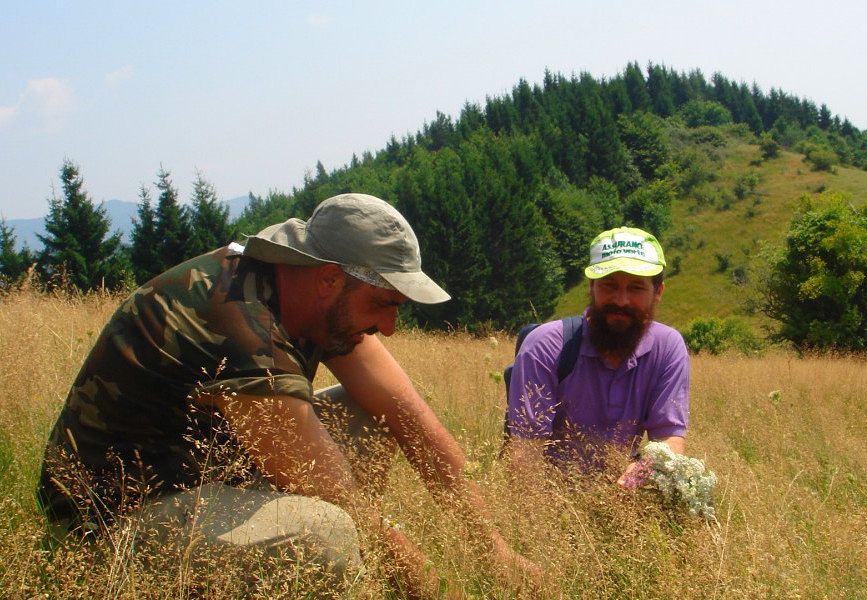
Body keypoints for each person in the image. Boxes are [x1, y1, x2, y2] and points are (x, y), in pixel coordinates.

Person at [38, 193, 539, 597]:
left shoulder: (312, 300)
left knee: (372, 416)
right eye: (383, 304)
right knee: (326, 536)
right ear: (329, 278)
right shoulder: (234, 315)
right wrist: (413, 568)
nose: (388, 326)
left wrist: (492, 549)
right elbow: (329, 487)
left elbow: (414, 423)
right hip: (115, 515)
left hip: (206, 472)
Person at [505, 226, 690, 483]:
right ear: (591, 287)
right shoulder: (545, 346)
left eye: (636, 288)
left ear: (658, 293)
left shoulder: (668, 348)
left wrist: (643, 472)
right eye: (609, 285)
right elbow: (525, 454)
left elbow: (669, 438)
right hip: (551, 499)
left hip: (623, 500)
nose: (621, 300)